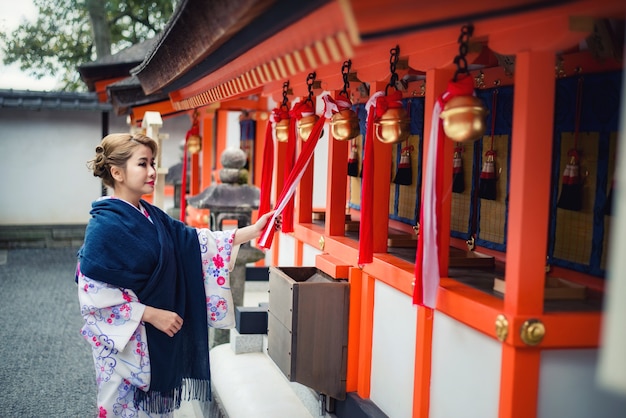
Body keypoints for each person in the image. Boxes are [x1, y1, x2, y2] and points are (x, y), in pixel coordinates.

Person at [76, 132, 279, 417]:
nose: (152, 172)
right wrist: (150, 314)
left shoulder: (152, 215)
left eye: (153, 163)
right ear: (117, 172)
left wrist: (253, 230)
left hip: (158, 339)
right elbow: (93, 295)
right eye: (143, 164)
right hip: (127, 344)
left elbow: (195, 242)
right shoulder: (103, 227)